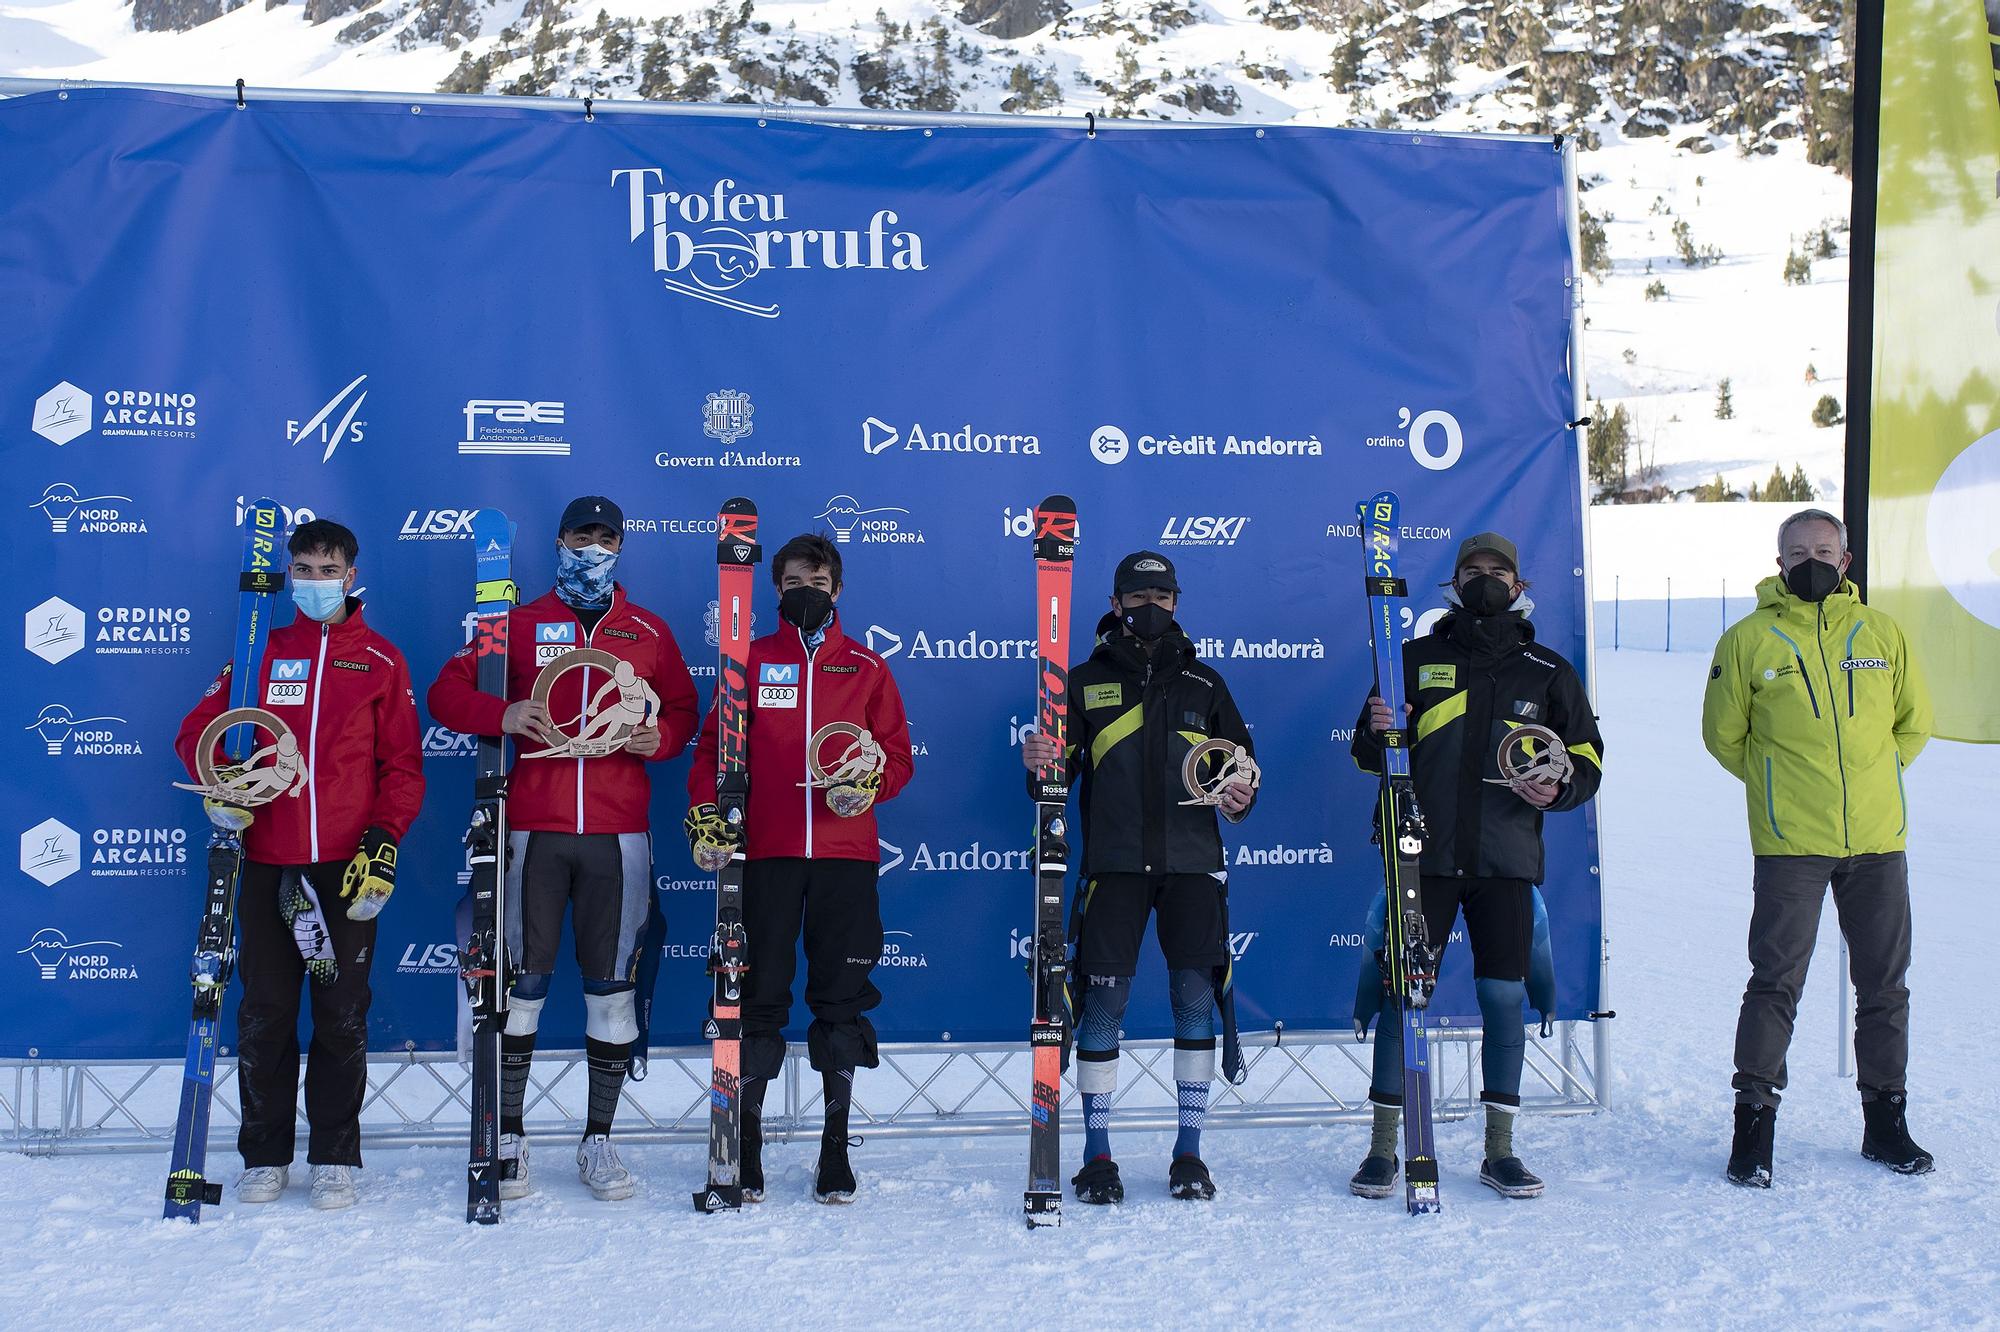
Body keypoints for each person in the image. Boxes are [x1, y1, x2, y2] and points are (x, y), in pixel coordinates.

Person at [428, 496, 698, 1201]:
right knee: (524, 989)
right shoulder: (515, 623)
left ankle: (598, 1141)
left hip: (618, 835)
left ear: (620, 547)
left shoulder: (647, 630)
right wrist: (504, 712)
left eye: (608, 538)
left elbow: (686, 710)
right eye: (584, 535)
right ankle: (509, 1136)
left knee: (612, 992)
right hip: (534, 830)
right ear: (560, 541)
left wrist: (658, 738)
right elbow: (445, 692)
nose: (594, 548)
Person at [174, 518, 424, 1211]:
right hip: (265, 861)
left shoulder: (379, 659)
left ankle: (334, 1155)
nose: (314, 582)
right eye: (303, 569)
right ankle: (265, 1153)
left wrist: (384, 837)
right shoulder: (257, 650)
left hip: (343, 865)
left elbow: (403, 767)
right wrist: (227, 780)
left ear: (352, 575)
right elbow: (198, 733)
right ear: (288, 574)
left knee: (342, 1013)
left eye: (327, 570)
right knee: (266, 1011)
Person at [1348, 531, 1602, 1201]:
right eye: (1473, 570)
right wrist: (1378, 730)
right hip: (1419, 857)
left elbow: (1589, 758)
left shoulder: (1548, 671)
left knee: (1503, 999)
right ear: (1452, 583)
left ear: (1519, 587)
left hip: (1505, 861)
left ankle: (1500, 1151)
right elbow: (1365, 752)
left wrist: (1562, 786)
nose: (1486, 579)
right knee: (1407, 996)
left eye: (1499, 571)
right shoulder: (1412, 658)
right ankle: (1383, 1150)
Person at [1702, 508, 1933, 1187]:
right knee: (1775, 983)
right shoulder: (1749, 638)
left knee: (1884, 986)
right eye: (1798, 551)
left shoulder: (1881, 632)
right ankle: (1753, 1125)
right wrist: (1780, 785)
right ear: (1779, 563)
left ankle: (1885, 1122)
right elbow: (1723, 735)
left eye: (1824, 550)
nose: (1812, 561)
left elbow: (1913, 724)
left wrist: (1872, 780)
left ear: (1847, 559)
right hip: (1790, 843)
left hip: (1877, 840)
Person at [1019, 550, 1257, 1205]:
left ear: (1176, 602)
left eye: (1163, 593)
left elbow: (1242, 773)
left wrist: (1240, 797)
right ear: (1116, 601)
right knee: (1104, 1007)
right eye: (1139, 594)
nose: (1152, 603)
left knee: (1193, 1002)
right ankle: (1098, 1157)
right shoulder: (1084, 680)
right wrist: (1038, 760)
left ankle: (1189, 1154)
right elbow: (1053, 781)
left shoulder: (1205, 685)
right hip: (1115, 869)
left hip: (1193, 870)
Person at [685, 533, 912, 1204]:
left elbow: (898, 757)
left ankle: (835, 1150)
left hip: (846, 856)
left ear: (837, 589)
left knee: (840, 1002)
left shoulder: (867, 667)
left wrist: (871, 785)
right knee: (757, 997)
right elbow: (710, 752)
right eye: (790, 581)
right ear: (774, 590)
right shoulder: (749, 662)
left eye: (815, 579)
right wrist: (707, 810)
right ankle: (745, 1146)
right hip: (769, 855)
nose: (803, 590)